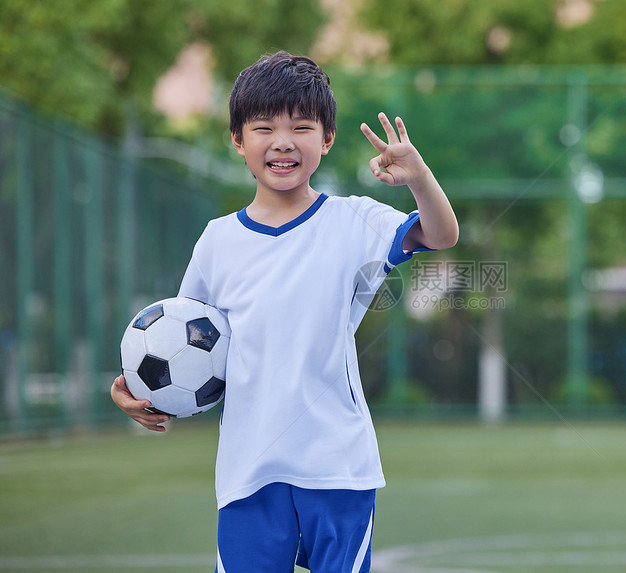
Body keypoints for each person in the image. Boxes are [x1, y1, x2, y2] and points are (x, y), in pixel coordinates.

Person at [110, 51, 458, 572]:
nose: (282, 141)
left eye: (301, 126)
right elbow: (185, 344)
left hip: (337, 469)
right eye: (263, 127)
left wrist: (418, 177)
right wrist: (134, 386)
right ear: (238, 140)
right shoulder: (216, 241)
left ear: (327, 139)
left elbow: (441, 234)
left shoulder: (353, 220)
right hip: (248, 474)